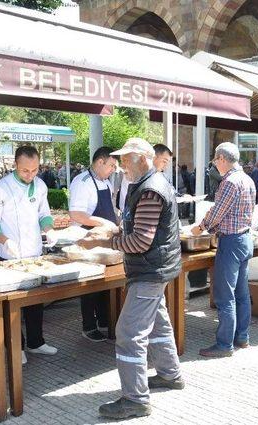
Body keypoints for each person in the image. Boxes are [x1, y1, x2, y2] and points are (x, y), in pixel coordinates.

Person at [78, 138, 183, 420]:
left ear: (143, 159)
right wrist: (113, 236)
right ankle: (170, 374)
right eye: (121, 160)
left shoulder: (150, 190)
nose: (122, 166)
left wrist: (105, 242)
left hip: (149, 270)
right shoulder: (149, 183)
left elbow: (140, 241)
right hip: (154, 268)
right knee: (158, 323)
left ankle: (135, 399)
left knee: (128, 333)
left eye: (126, 160)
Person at [0, 146, 58, 365]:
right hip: (10, 256)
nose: (30, 175)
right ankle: (16, 347)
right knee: (12, 308)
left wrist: (49, 230)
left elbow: (44, 214)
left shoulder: (40, 185)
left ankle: (36, 342)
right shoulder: (0, 188)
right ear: (16, 165)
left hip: (34, 254)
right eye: (26, 170)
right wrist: (6, 241)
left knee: (35, 303)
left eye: (35, 170)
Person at [193, 142, 256, 357]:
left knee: (224, 295)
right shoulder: (247, 179)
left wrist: (201, 227)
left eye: (214, 161)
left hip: (231, 242)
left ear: (221, 158)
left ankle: (224, 345)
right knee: (241, 293)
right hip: (244, 238)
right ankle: (242, 337)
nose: (214, 165)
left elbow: (218, 212)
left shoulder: (229, 181)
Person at [69, 147, 119, 342]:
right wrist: (102, 222)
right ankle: (89, 326)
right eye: (112, 165)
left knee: (105, 283)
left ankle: (105, 320)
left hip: (104, 240)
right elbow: (76, 215)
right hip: (86, 240)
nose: (114, 170)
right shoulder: (82, 182)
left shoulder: (105, 182)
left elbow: (111, 208)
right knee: (89, 285)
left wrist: (116, 220)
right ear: (100, 162)